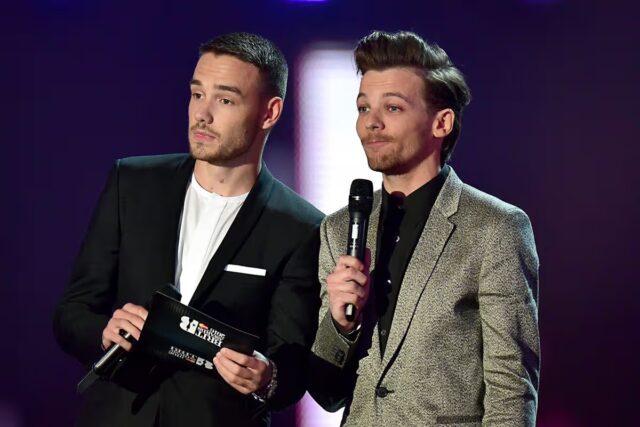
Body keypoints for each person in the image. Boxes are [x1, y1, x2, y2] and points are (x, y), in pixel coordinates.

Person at [53, 32, 324, 427]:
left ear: (269, 112)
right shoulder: (133, 183)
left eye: (225, 100)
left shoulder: (299, 226)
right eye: (197, 94)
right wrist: (105, 330)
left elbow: (291, 364)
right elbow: (71, 313)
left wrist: (267, 378)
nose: (202, 114)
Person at [309, 31, 540, 426]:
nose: (371, 123)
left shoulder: (495, 227)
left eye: (392, 107)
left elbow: (511, 391)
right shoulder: (339, 228)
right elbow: (326, 394)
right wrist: (341, 325)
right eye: (363, 108)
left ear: (441, 122)